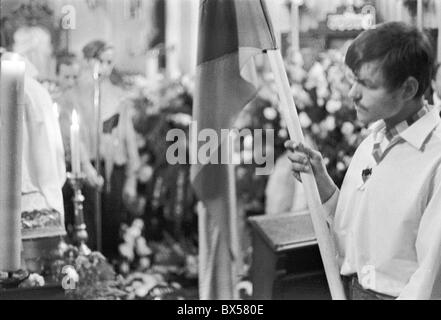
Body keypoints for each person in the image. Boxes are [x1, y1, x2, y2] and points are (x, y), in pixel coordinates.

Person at [286, 22, 441, 299]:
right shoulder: (374, 141)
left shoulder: (435, 157)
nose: (352, 93)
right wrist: (324, 185)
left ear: (408, 89)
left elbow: (429, 278)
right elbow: (355, 234)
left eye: (367, 84)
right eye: (354, 80)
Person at [75, 40, 140, 261]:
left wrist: (132, 175)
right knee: (91, 222)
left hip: (116, 165)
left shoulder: (117, 94)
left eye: (109, 62)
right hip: (91, 165)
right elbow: (77, 137)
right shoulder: (78, 94)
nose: (105, 67)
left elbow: (128, 135)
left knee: (113, 219)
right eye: (100, 61)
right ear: (88, 61)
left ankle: (111, 266)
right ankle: (94, 264)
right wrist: (85, 166)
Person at [54, 53, 104, 249]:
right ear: (57, 74)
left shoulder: (80, 99)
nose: (71, 82)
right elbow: (71, 138)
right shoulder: (58, 100)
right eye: (66, 77)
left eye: (75, 77)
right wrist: (87, 167)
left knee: (84, 216)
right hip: (65, 165)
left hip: (80, 161)